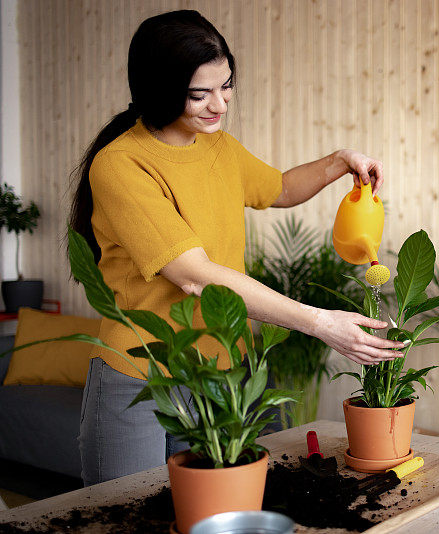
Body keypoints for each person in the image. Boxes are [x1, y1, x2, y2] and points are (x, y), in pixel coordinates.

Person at [68, 10, 403, 487]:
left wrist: (339, 161)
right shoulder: (121, 165)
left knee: (219, 513)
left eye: (226, 86)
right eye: (199, 94)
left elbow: (280, 188)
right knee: (132, 515)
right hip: (140, 374)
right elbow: (194, 274)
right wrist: (320, 322)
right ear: (158, 89)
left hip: (220, 372)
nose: (219, 104)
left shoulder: (219, 147)